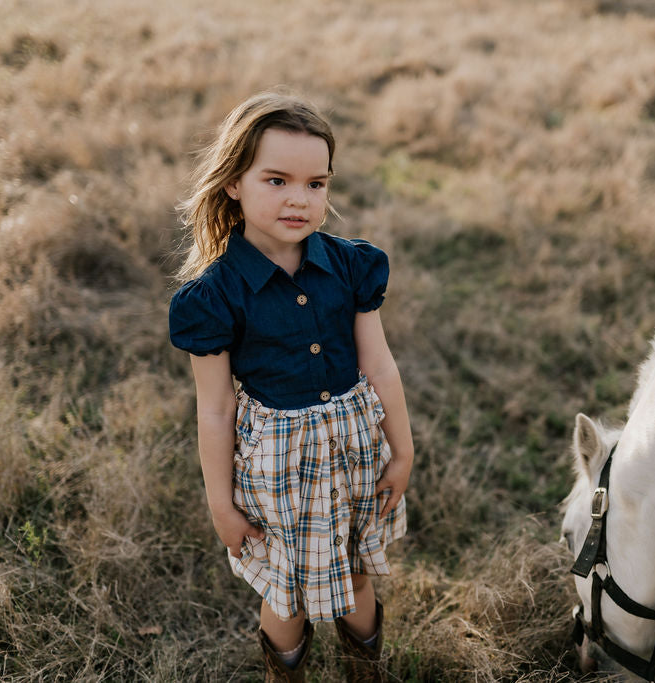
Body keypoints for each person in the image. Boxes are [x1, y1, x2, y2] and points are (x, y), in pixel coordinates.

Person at [168, 91, 412, 683]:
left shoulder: (352, 266)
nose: (300, 199)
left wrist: (401, 449)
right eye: (276, 180)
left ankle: (365, 672)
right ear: (233, 183)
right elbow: (216, 408)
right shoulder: (216, 296)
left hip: (354, 447)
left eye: (317, 184)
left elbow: (379, 366)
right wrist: (221, 505)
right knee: (289, 590)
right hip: (277, 460)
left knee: (355, 571)